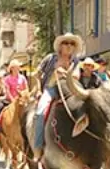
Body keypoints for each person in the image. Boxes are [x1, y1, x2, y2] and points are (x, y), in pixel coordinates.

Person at [33, 32, 83, 161]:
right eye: (65, 43)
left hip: (70, 91)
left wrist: (64, 73)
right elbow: (37, 74)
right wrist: (38, 90)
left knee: (84, 112)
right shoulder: (50, 58)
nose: (68, 46)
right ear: (60, 46)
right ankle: (38, 147)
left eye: (72, 44)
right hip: (51, 90)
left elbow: (77, 76)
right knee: (40, 113)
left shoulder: (76, 61)